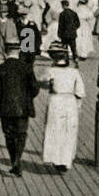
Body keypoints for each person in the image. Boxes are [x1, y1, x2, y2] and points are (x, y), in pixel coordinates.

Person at [0, 40, 41, 176]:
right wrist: (26, 97)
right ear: (18, 52)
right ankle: (17, 159)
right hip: (23, 109)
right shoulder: (26, 67)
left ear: (6, 52)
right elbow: (35, 89)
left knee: (9, 135)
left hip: (5, 109)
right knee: (21, 134)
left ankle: (14, 160)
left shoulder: (0, 68)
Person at [38, 42, 85, 172]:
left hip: (56, 100)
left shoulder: (51, 71)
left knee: (54, 129)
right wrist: (78, 106)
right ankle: (66, 160)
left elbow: (40, 81)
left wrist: (48, 85)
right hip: (70, 101)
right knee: (69, 131)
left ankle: (54, 158)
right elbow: (80, 91)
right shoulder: (74, 72)